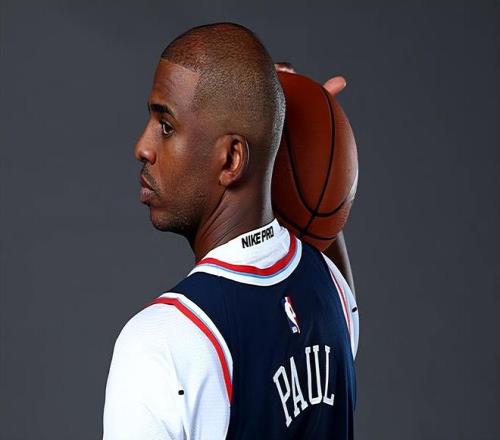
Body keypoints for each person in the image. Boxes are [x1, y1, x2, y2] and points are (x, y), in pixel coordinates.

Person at [103, 22, 359, 440]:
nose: (142, 147)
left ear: (231, 160)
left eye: (166, 126)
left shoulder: (160, 343)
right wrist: (309, 141)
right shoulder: (331, 295)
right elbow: (325, 240)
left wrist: (276, 119)